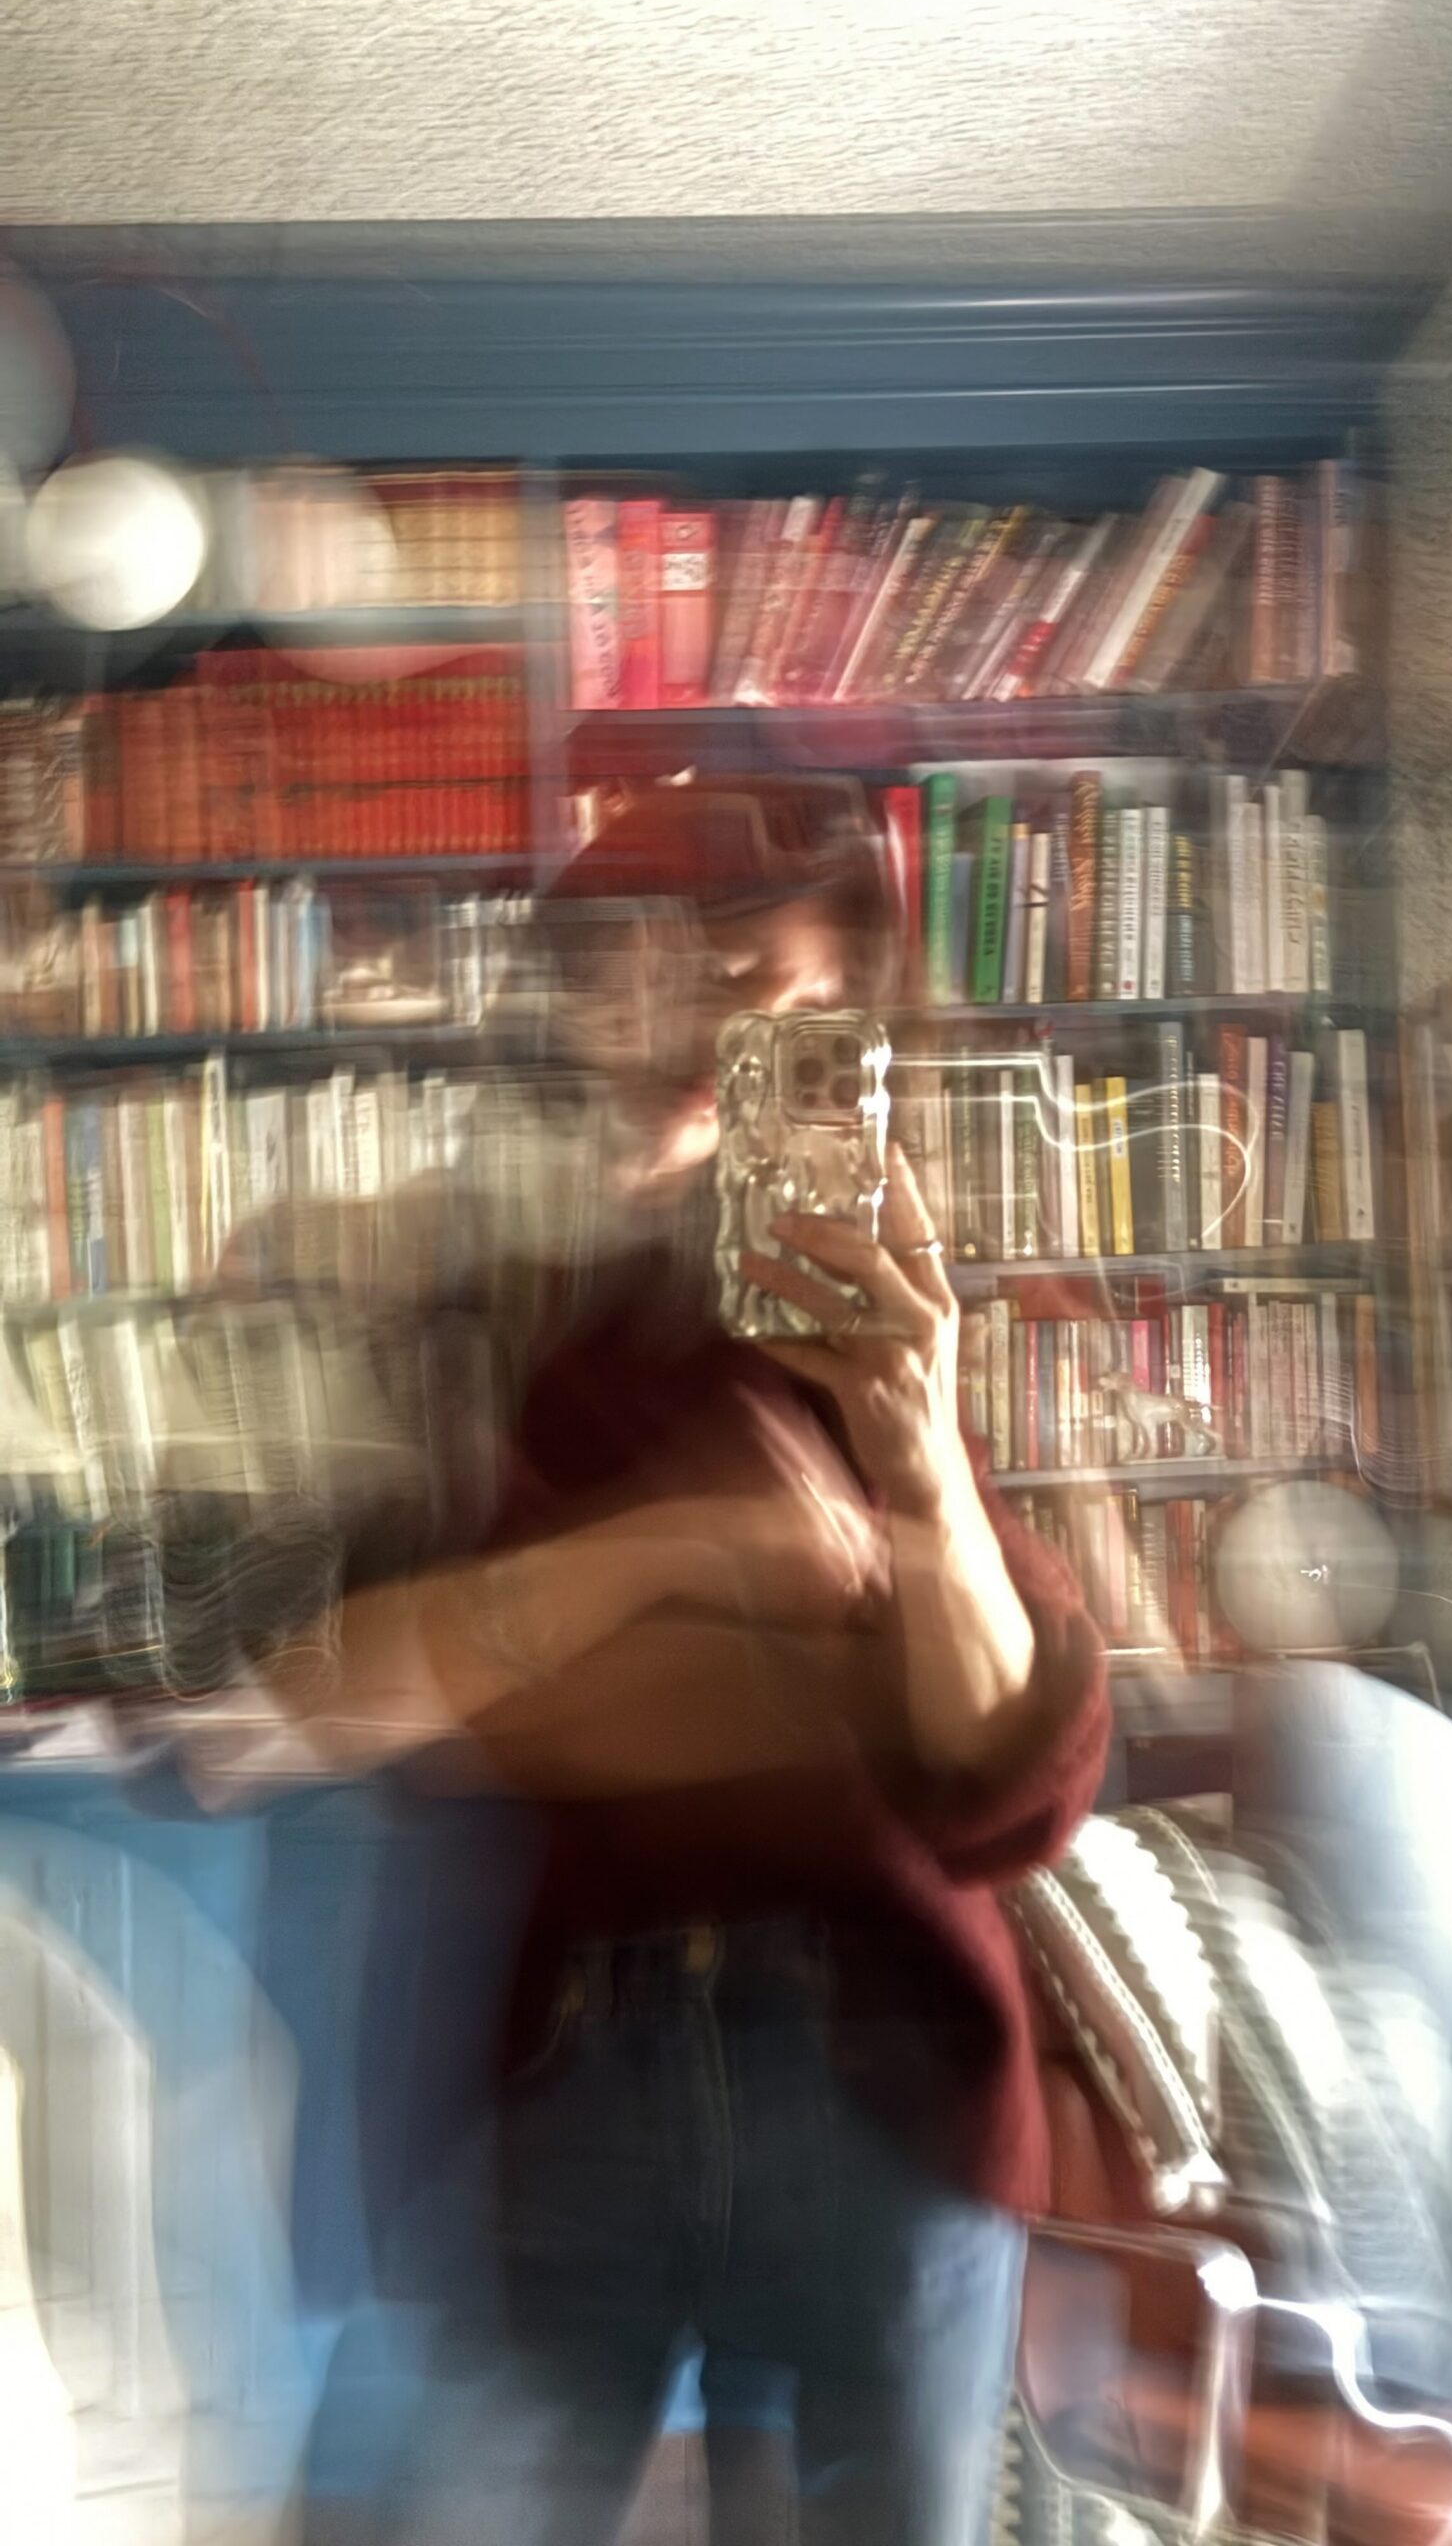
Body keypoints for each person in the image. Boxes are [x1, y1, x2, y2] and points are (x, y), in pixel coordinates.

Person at [285, 776, 1109, 2546]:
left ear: (852, 1039)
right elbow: (363, 1694)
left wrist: (913, 1434)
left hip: (882, 2067)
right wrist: (699, 1553)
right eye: (640, 969)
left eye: (767, 998)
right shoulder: (482, 1314)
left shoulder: (925, 1306)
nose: (691, 1026)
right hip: (575, 2067)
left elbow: (999, 1786)